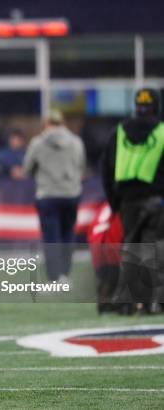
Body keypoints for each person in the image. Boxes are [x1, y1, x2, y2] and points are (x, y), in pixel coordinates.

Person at [102, 88, 164, 314]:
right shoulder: (162, 132)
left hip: (127, 201)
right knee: (155, 250)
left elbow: (106, 169)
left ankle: (127, 302)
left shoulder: (118, 132)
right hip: (157, 201)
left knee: (131, 250)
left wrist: (114, 202)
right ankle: (154, 303)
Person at [23, 109, 86, 283]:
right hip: (71, 193)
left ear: (46, 124)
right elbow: (81, 166)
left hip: (48, 194)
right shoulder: (76, 142)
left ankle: (54, 277)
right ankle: (65, 274)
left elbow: (27, 168)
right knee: (67, 235)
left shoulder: (37, 143)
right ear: (63, 123)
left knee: (51, 237)